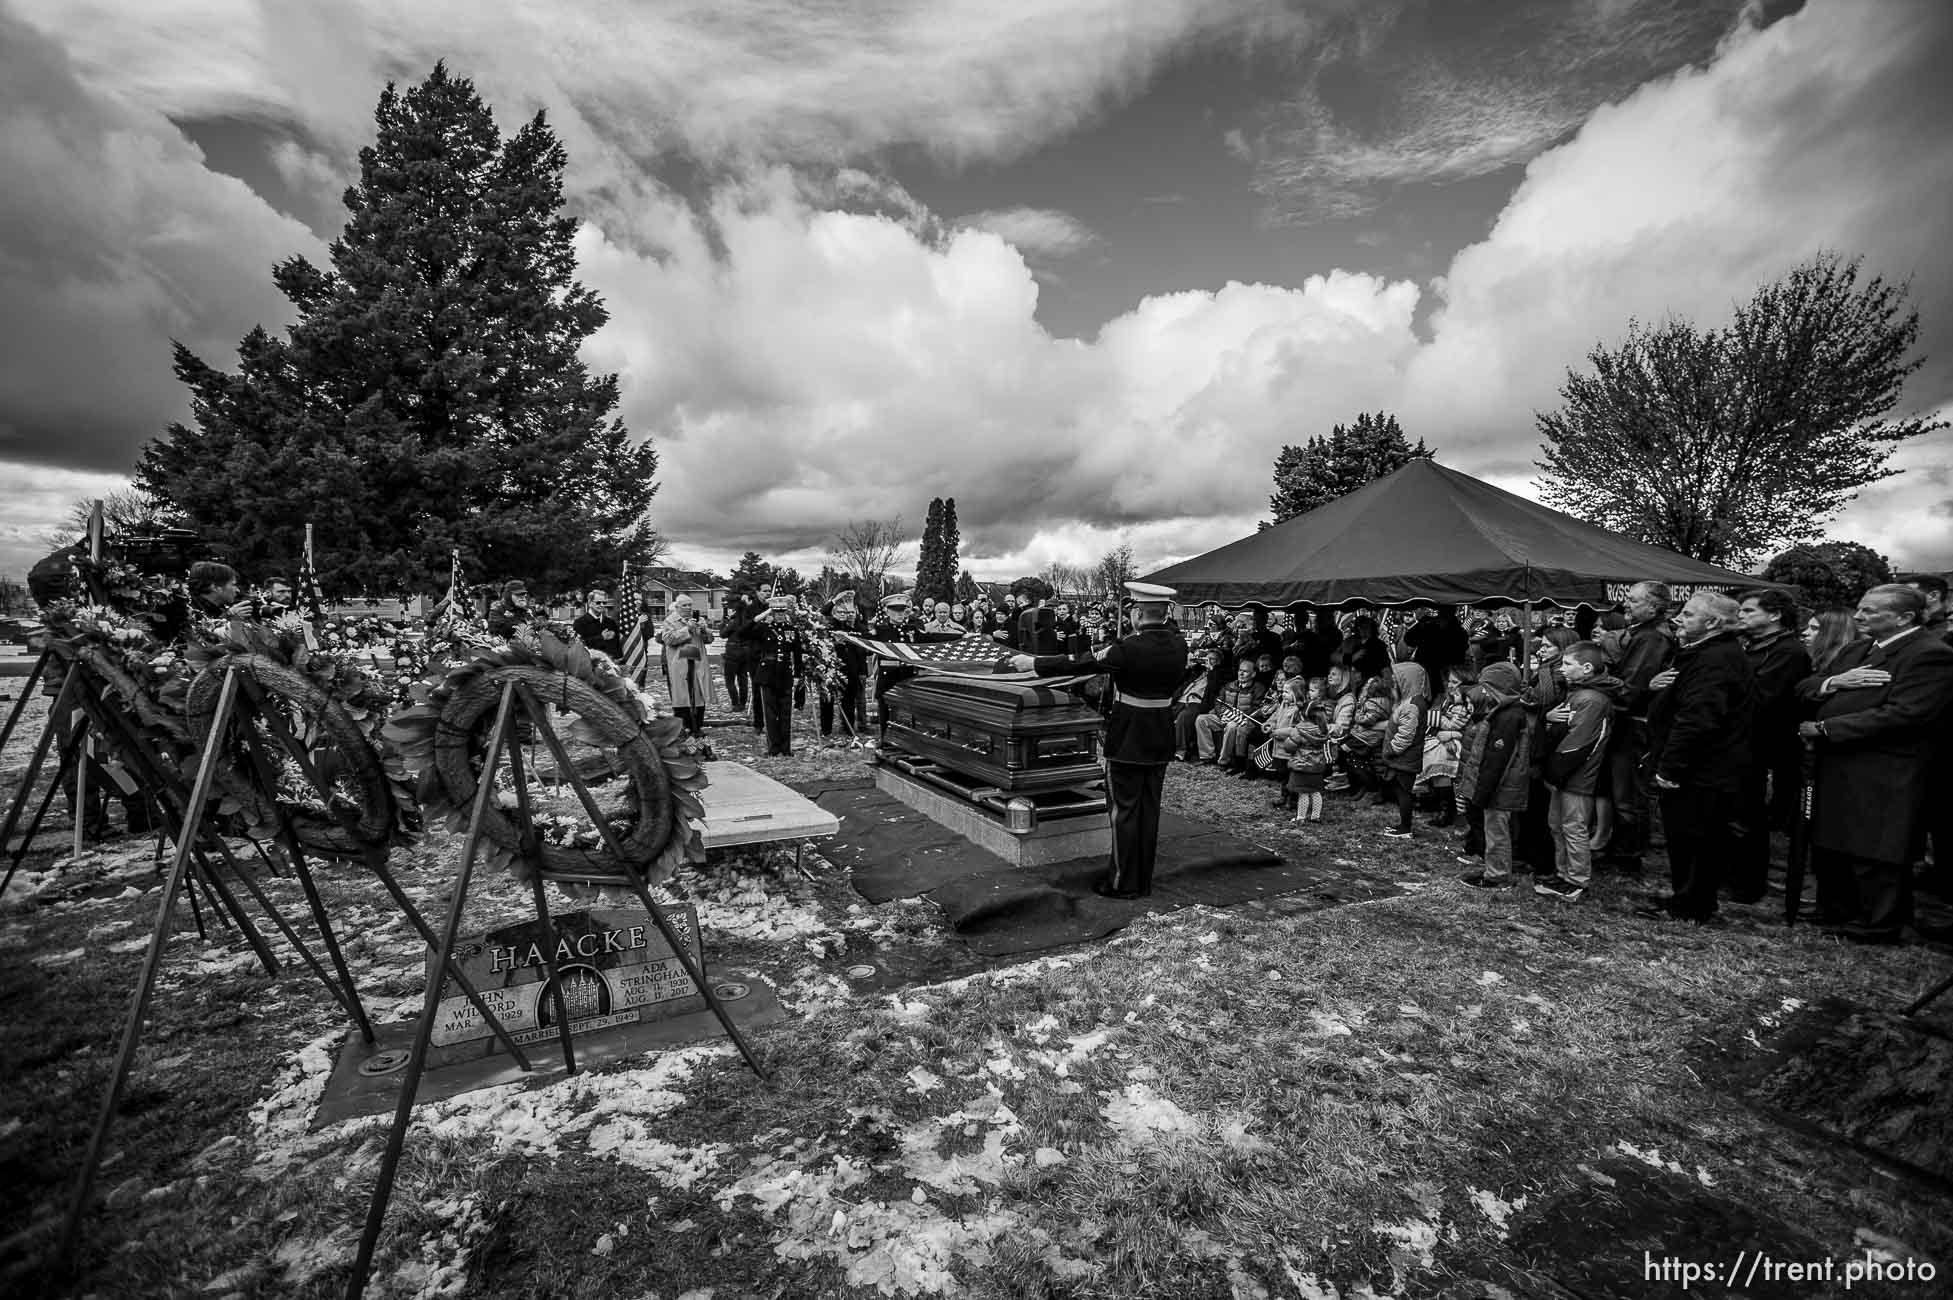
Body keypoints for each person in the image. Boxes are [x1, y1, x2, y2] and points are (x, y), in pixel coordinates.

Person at [1009, 581, 1189, 898]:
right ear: (1163, 613)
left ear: (1136, 613)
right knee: (1149, 810)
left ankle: (1122, 883)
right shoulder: (1179, 645)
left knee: (1124, 813)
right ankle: (1142, 879)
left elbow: (1079, 662)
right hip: (1160, 734)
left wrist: (1033, 663)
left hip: (1130, 738)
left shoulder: (1128, 648)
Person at [1796, 584, 1953, 942]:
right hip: (1838, 763)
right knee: (1834, 840)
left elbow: (1906, 714)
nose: (1860, 616)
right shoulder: (1857, 649)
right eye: (1860, 609)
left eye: (1870, 611)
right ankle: (1836, 908)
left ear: (1904, 617)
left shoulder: (1930, 655)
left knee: (1876, 848)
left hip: (1885, 768)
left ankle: (1879, 922)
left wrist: (1827, 727)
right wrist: (1835, 682)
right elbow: (1805, 686)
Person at [1637, 592, 1753, 925]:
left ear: (1713, 622)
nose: (1679, 619)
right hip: (1696, 766)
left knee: (1697, 837)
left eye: (1688, 615)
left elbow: (1698, 717)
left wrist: (1671, 766)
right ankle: (1686, 895)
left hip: (1702, 770)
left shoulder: (1716, 659)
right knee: (1685, 837)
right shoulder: (1701, 653)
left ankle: (1694, 903)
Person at [1727, 588, 1812, 903]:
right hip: (1739, 743)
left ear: (1774, 615)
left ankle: (1747, 884)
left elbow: (1762, 699)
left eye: (1749, 611)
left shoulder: (1788, 652)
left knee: (1747, 816)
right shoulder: (1752, 646)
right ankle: (1732, 873)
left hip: (1759, 745)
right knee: (1733, 813)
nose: (1741, 616)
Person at [1533, 642, 1623, 902]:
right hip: (1563, 775)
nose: (1562, 669)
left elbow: (1579, 743)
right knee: (1557, 825)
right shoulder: (1579, 693)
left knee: (1574, 828)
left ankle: (1577, 880)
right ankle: (1562, 873)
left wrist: (1553, 773)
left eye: (1567, 664)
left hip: (1577, 776)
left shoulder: (1593, 700)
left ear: (1586, 668)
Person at [1601, 581, 1678, 872]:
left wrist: (1604, 696)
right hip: (1632, 719)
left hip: (1635, 723)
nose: (1626, 604)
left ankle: (1627, 854)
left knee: (1628, 793)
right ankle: (1622, 847)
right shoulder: (1644, 633)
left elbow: (1631, 687)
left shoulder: (1652, 638)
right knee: (1623, 791)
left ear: (1654, 606)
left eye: (1633, 600)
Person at [1455, 662, 1533, 889]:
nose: (1484, 692)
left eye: (1488, 687)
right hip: (1495, 785)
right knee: (1493, 830)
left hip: (1500, 787)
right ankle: (1493, 869)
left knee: (1497, 832)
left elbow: (1498, 760)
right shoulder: (1501, 711)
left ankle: (1497, 876)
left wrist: (1483, 792)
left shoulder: (1509, 717)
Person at [741, 594, 807, 757]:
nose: (779, 615)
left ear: (786, 613)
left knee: (785, 712)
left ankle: (786, 748)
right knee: (770, 713)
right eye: (776, 612)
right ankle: (773, 747)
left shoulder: (792, 630)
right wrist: (762, 616)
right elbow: (743, 632)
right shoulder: (764, 628)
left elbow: (797, 654)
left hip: (785, 673)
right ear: (772, 613)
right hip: (768, 673)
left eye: (782, 612)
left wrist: (798, 674)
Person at [1379, 662, 1430, 839]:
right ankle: (1403, 825)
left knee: (1403, 793)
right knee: (1400, 792)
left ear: (1407, 680)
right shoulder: (1408, 701)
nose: (1393, 680)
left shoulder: (1412, 705)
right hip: (1402, 759)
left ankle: (1405, 828)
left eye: (1397, 677)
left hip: (1404, 759)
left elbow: (1406, 736)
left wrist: (1391, 750)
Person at [1195, 658, 1269, 770]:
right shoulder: (1230, 685)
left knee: (1231, 726)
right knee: (1201, 719)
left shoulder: (1258, 688)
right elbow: (1218, 702)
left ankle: (1224, 761)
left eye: (1245, 671)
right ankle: (1207, 757)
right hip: (1224, 717)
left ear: (1253, 674)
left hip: (1240, 720)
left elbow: (1256, 708)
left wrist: (1235, 716)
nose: (1241, 673)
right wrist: (1222, 715)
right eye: (1240, 670)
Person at [658, 594, 715, 736]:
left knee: (699, 700)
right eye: (684, 605)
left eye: (690, 605)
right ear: (677, 607)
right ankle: (687, 736)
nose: (688, 608)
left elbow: (709, 639)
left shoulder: (699, 619)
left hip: (697, 665)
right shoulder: (669, 621)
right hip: (681, 667)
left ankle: (699, 735)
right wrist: (687, 629)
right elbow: (669, 639)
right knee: (683, 701)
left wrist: (704, 630)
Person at [820, 591, 871, 738]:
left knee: (849, 701)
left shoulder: (855, 628)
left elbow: (863, 649)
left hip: (851, 670)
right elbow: (824, 612)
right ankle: (826, 730)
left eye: (848, 612)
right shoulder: (830, 625)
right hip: (831, 668)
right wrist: (835, 600)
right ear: (835, 612)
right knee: (828, 700)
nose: (845, 614)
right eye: (841, 612)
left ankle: (849, 729)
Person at [1172, 648, 1227, 761]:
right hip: (1181, 699)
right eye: (1207, 659)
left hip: (1197, 702)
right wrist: (1188, 667)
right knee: (1164, 714)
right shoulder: (1198, 671)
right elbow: (1178, 681)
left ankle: (1180, 751)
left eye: (1213, 659)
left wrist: (1211, 670)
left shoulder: (1220, 673)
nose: (1209, 661)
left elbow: (1214, 688)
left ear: (1219, 661)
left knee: (1184, 717)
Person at [1404, 605, 1470, 694]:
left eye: (1446, 612)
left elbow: (1461, 652)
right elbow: (1409, 640)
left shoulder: (1458, 632)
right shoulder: (1428, 625)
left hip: (1446, 674)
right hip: (1426, 671)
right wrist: (1421, 623)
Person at [722, 583, 764, 716]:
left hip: (733, 652)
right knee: (743, 679)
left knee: (730, 680)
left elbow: (723, 634)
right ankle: (743, 703)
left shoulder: (734, 622)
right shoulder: (748, 620)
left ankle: (735, 704)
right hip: (746, 651)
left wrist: (725, 622)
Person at [1803, 606, 1858, 676]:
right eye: (1808, 627)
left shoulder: (1842, 667)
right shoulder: (1814, 659)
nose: (1805, 632)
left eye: (1815, 628)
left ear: (1834, 633)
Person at [573, 590, 623, 659]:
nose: (602, 605)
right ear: (590, 603)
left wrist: (618, 660)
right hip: (590, 664)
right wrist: (601, 637)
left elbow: (617, 646)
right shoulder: (579, 623)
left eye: (604, 602)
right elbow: (580, 645)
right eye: (598, 602)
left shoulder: (611, 622)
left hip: (612, 664)